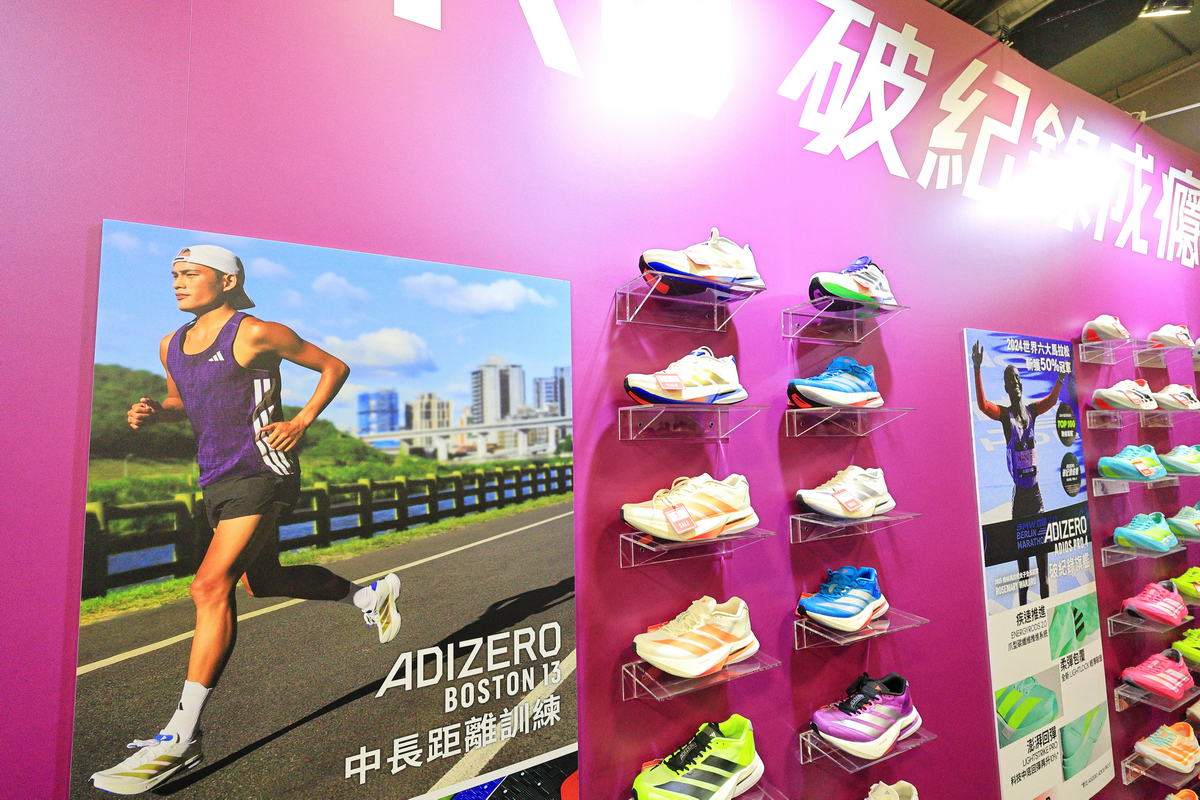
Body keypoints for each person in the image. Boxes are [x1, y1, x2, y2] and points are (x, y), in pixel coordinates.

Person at [91, 245, 402, 796]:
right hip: (215, 476)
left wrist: (301, 421)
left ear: (228, 280)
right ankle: (367, 595)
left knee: (209, 586)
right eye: (174, 274)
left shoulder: (256, 333)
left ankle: (180, 736)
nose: (178, 282)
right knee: (265, 581)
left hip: (262, 470)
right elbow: (183, 399)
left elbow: (334, 366)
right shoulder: (171, 344)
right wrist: (155, 410)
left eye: (191, 273)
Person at [971, 341, 1067, 607]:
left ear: (1021, 384)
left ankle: (1046, 618)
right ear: (1005, 387)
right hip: (1020, 503)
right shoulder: (1005, 416)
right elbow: (983, 406)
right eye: (1008, 380)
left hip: (1037, 500)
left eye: (1016, 378)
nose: (1013, 383)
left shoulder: (1033, 412)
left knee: (1044, 576)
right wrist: (977, 369)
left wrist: (1060, 379)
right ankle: (1024, 616)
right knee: (1024, 578)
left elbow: (1051, 401)